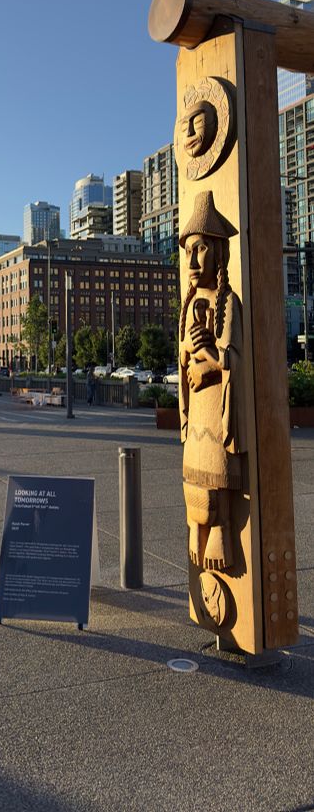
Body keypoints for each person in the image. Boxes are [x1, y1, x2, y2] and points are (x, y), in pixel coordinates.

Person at [178, 191, 246, 573]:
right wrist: (190, 352)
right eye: (188, 250)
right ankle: (194, 525)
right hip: (197, 407)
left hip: (217, 408)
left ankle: (219, 527)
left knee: (216, 468)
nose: (191, 259)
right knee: (193, 469)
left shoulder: (228, 302)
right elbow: (182, 353)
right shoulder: (190, 303)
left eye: (200, 248)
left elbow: (234, 358)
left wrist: (210, 359)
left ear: (218, 252)